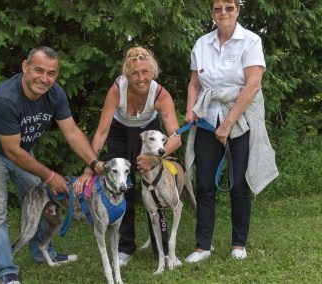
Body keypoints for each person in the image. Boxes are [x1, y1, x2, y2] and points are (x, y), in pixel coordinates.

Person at [0, 46, 104, 284]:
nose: (45, 79)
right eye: (39, 70)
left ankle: (44, 253)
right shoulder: (6, 98)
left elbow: (72, 132)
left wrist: (94, 162)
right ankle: (7, 272)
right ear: (25, 67)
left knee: (44, 202)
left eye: (51, 73)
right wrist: (50, 175)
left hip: (21, 149)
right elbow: (11, 150)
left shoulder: (55, 95)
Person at [184, 0, 278, 263]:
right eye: (217, 8)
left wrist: (227, 125)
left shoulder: (250, 40)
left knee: (239, 183)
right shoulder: (202, 43)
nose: (223, 12)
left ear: (237, 9)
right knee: (204, 183)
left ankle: (239, 244)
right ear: (212, 12)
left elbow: (252, 85)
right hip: (207, 117)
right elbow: (194, 83)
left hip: (241, 118)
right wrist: (190, 110)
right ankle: (203, 246)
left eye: (229, 7)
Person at [74, 46, 182, 266]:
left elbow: (176, 137)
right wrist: (88, 169)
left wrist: (156, 158)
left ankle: (161, 249)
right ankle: (125, 247)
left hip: (149, 131)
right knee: (122, 187)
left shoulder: (161, 94)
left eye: (145, 72)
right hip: (120, 133)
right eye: (134, 73)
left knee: (156, 190)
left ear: (152, 72)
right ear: (126, 74)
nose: (140, 78)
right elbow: (102, 132)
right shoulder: (117, 89)